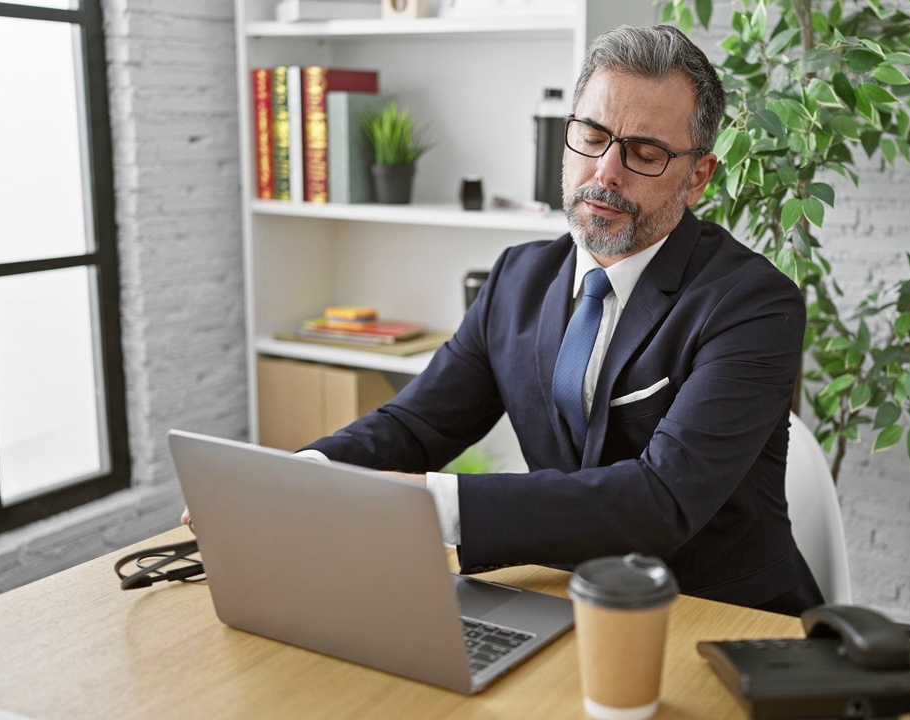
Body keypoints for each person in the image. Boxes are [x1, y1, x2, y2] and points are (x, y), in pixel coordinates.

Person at [199, 24, 823, 614]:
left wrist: (424, 505)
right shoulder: (516, 280)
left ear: (697, 179)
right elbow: (417, 426)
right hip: (566, 598)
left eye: (645, 153)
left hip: (724, 618)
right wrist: (298, 478)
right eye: (592, 135)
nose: (605, 172)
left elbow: (659, 501)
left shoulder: (752, 304)